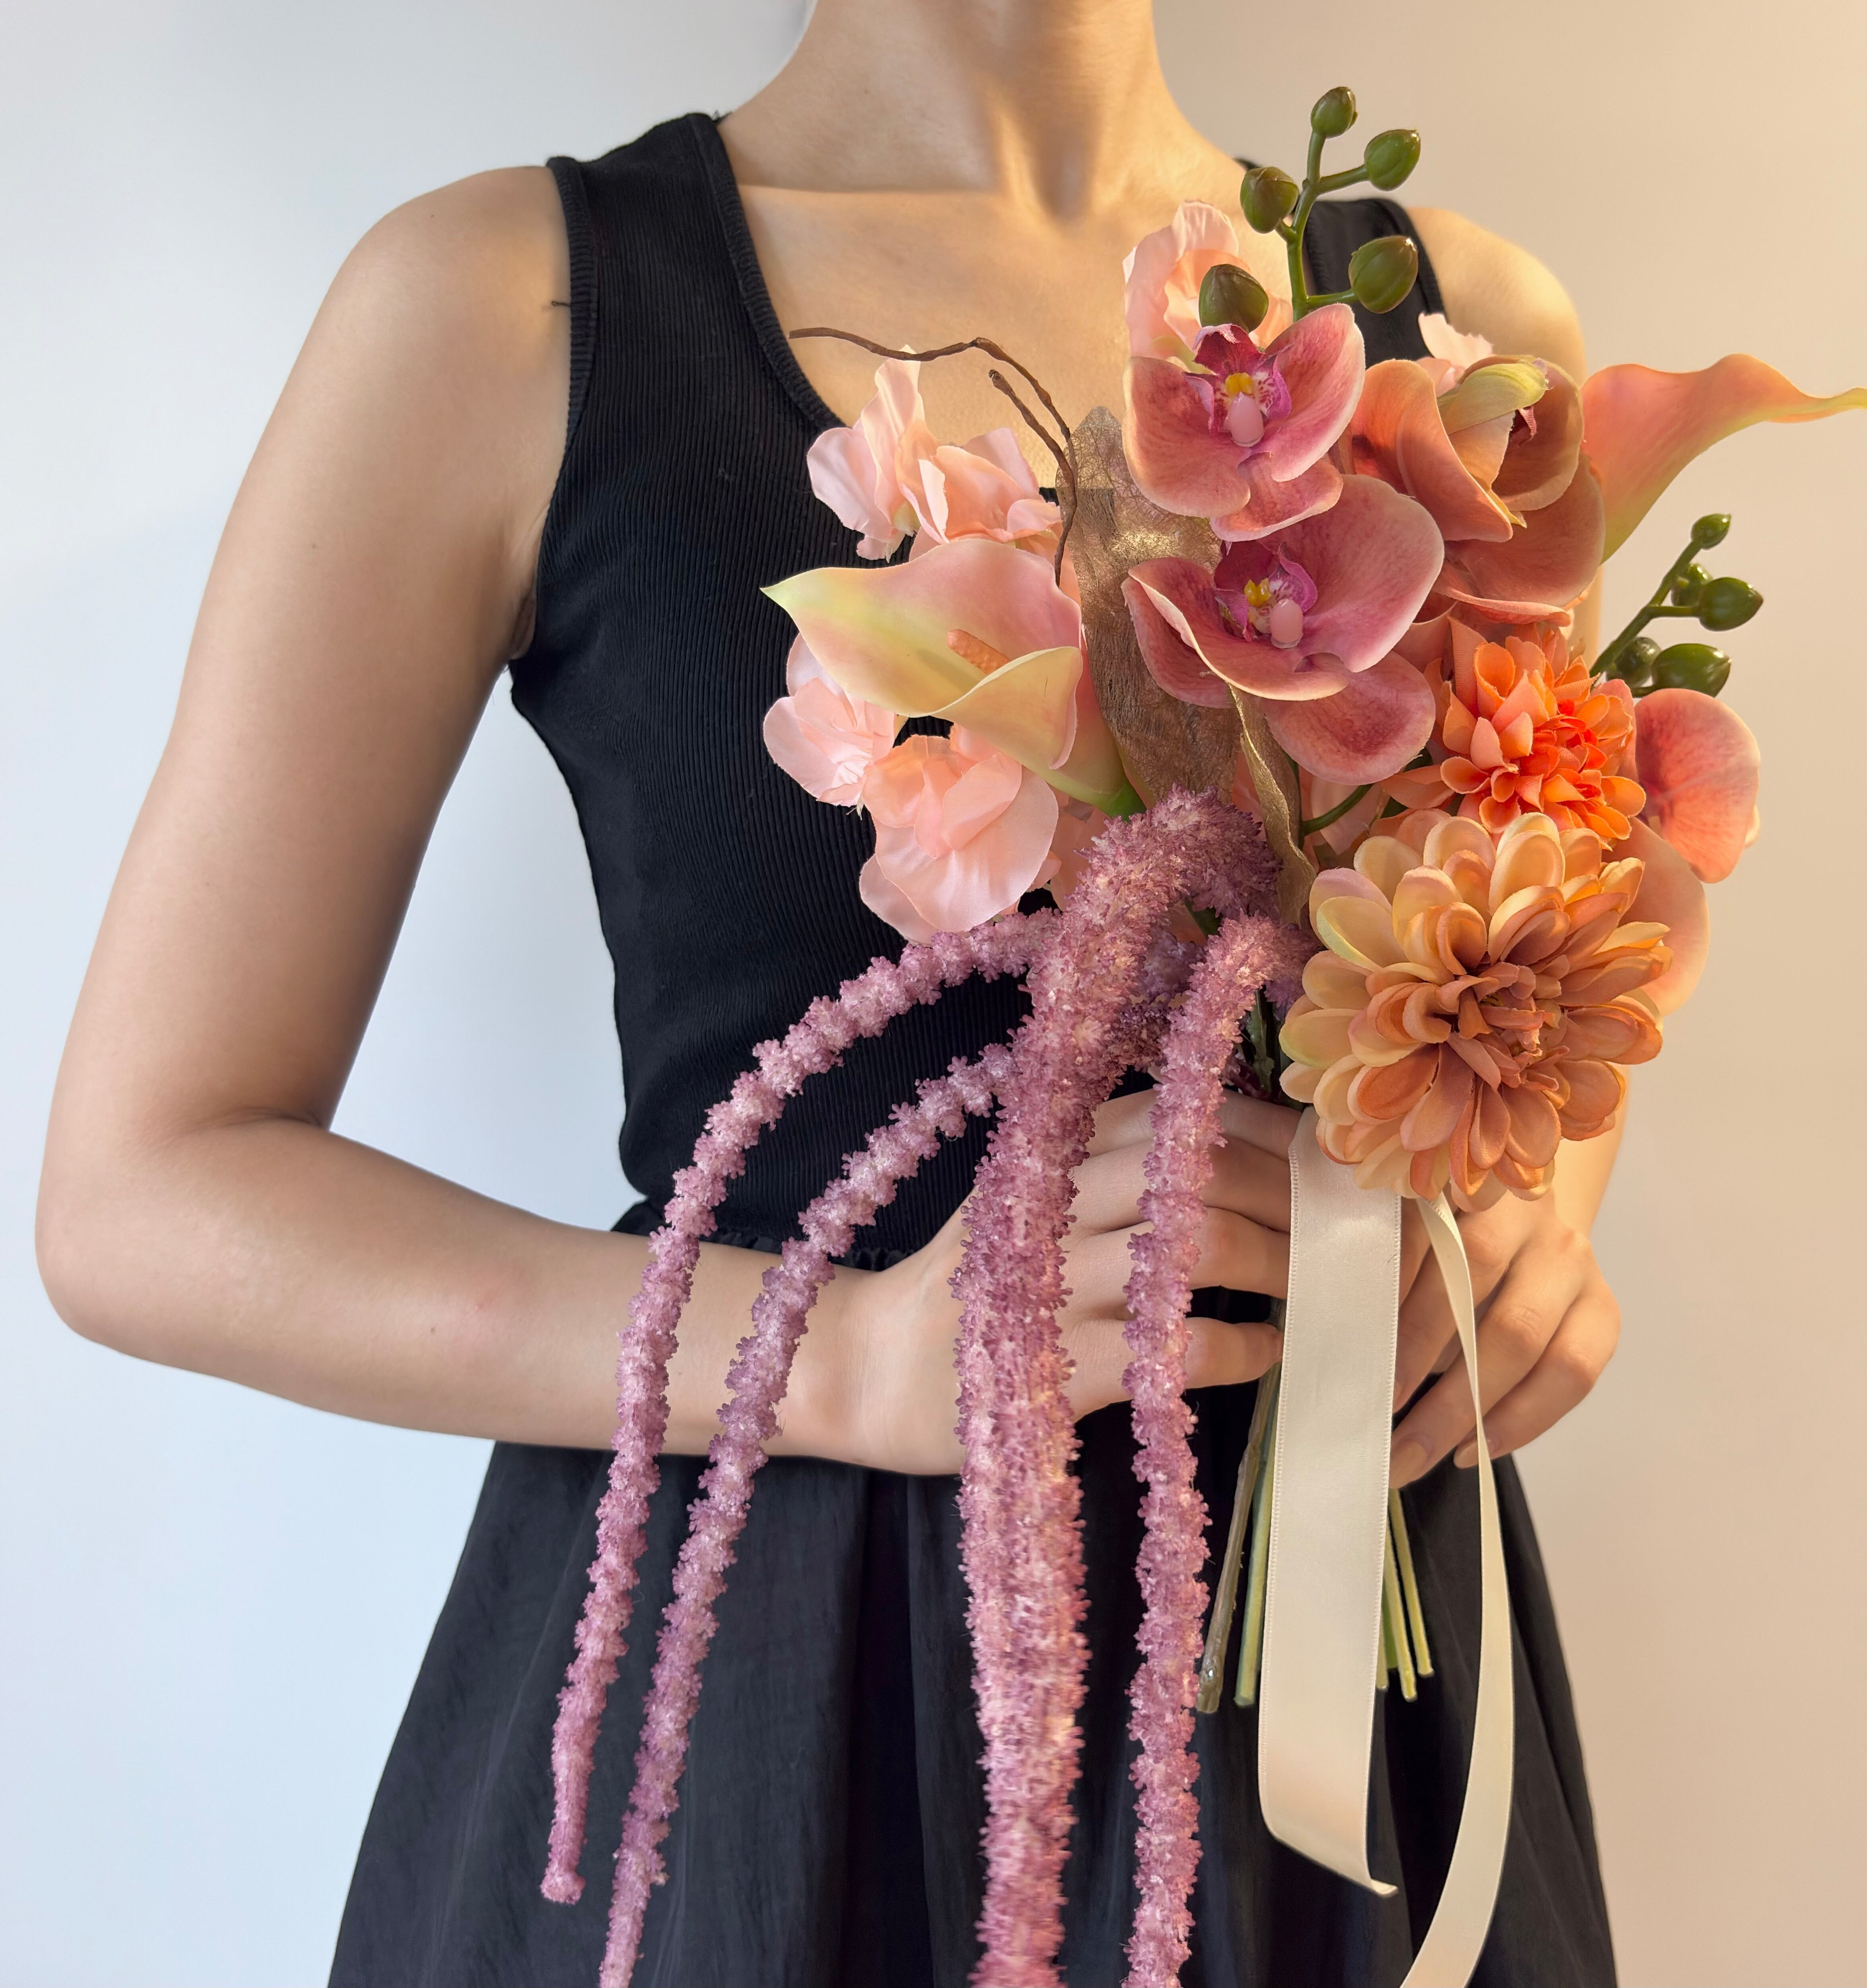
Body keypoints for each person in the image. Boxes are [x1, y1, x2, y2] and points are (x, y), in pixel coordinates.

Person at [37, 2, 1624, 1981]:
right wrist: (849, 1357)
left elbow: (1553, 941)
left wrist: (1519, 1232)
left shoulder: (1461, 338)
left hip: (1335, 1668)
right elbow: (144, 1193)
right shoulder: (504, 311)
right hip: (767, 1685)